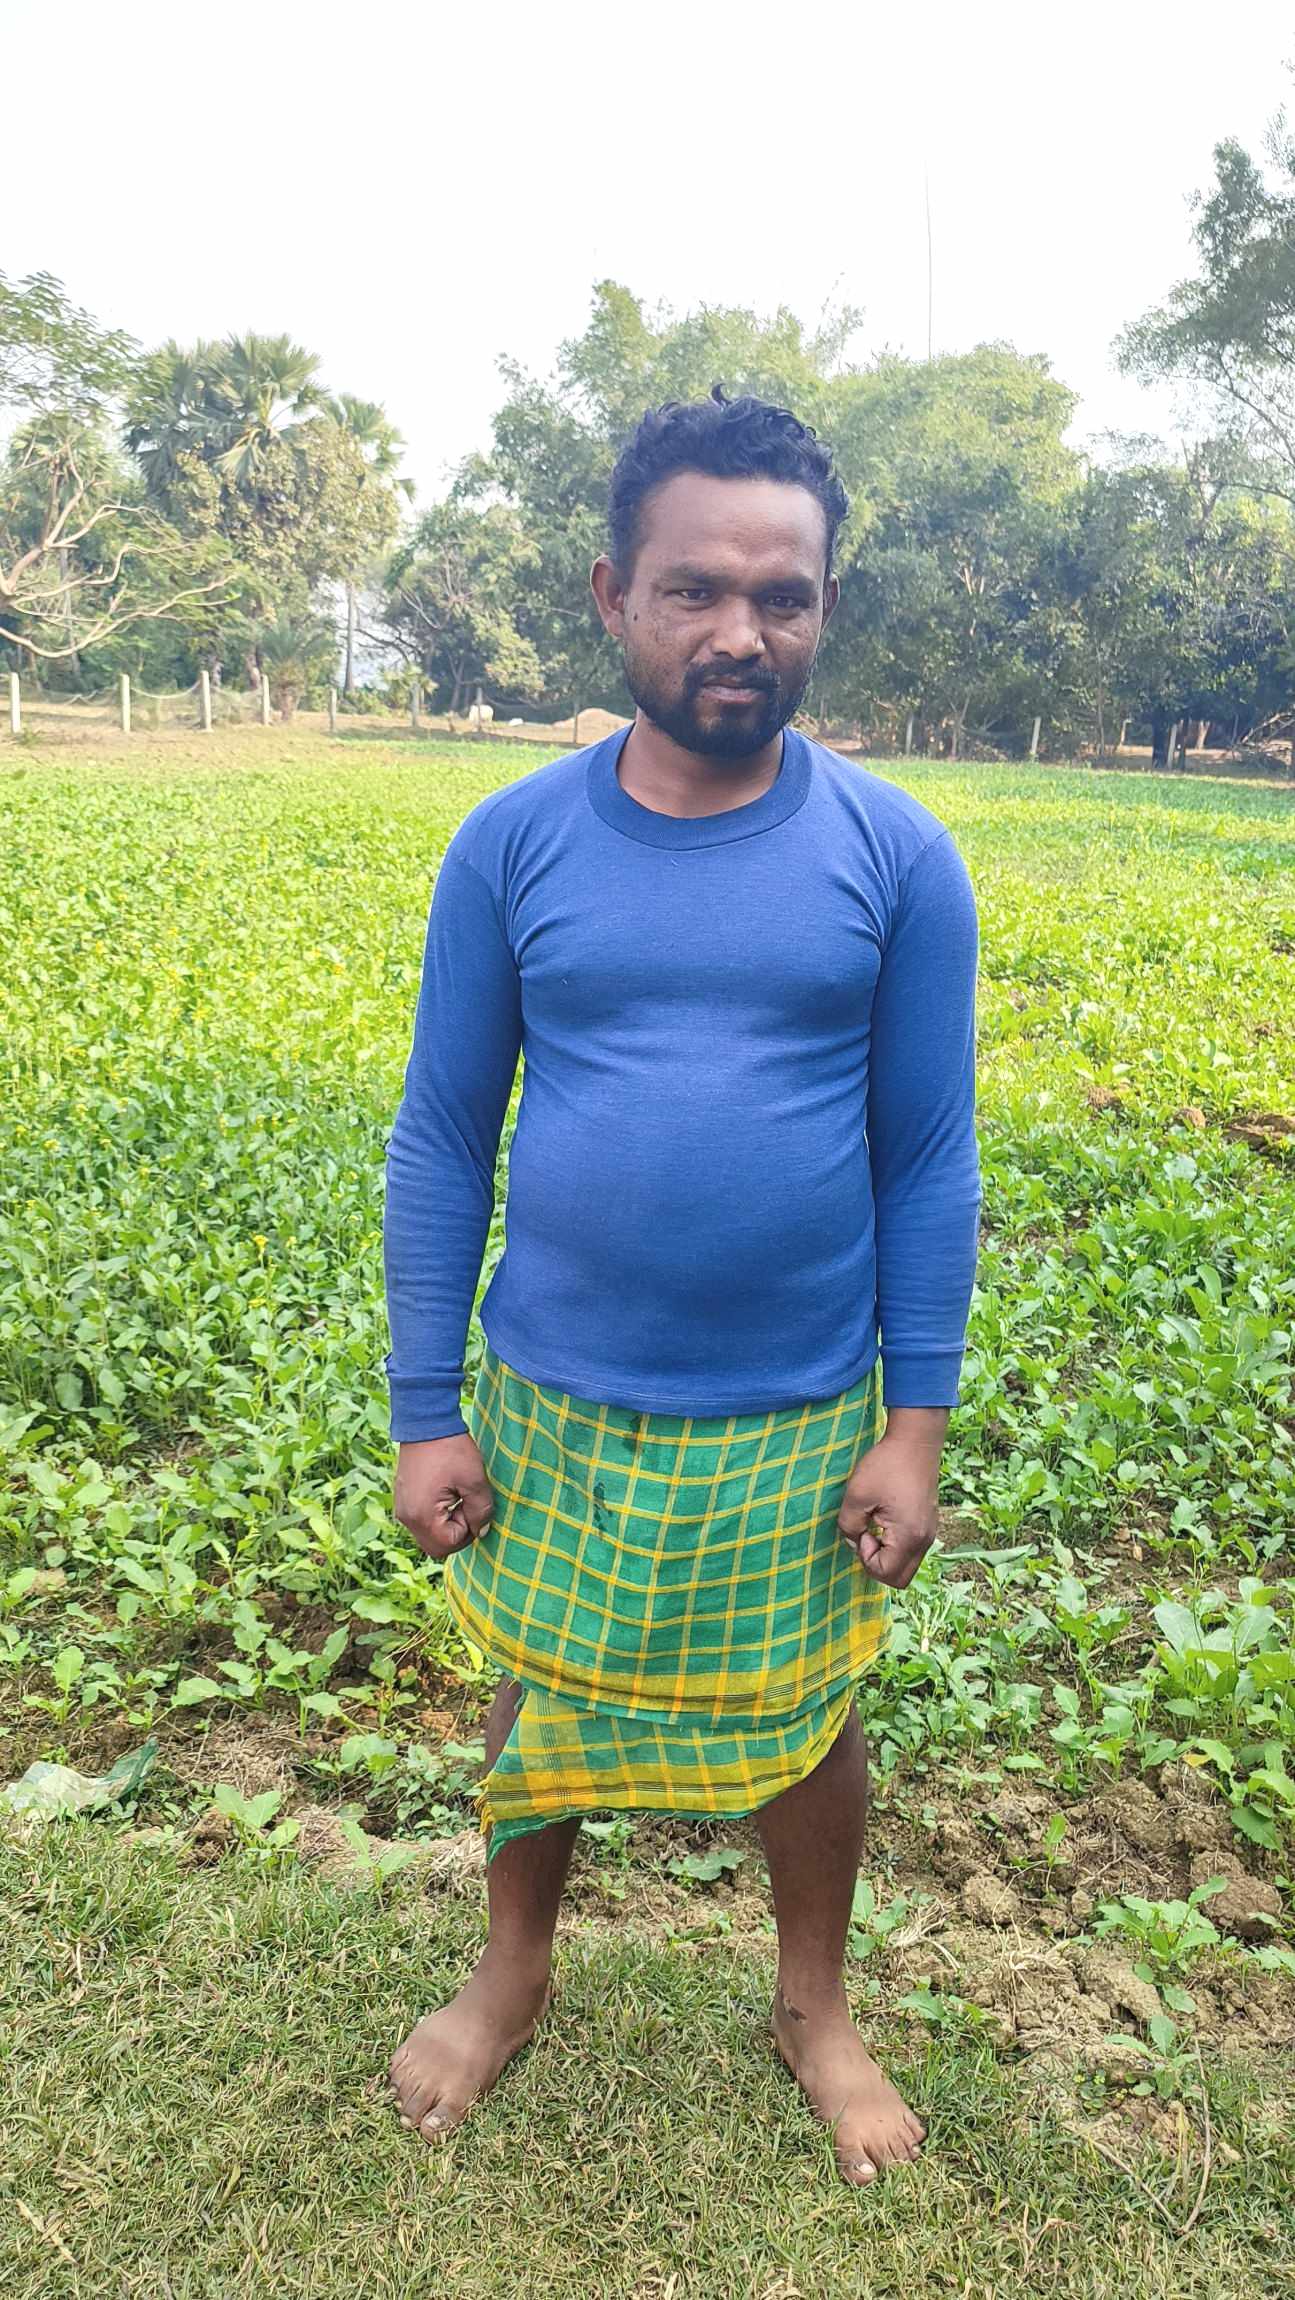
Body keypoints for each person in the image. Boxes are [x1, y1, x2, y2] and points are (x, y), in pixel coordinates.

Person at [382, 389, 982, 2185]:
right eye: (696, 589)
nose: (742, 632)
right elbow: (441, 1140)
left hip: (798, 1406)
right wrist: (429, 1409)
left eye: (782, 595)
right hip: (559, 1390)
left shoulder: (898, 859)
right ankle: (512, 1967)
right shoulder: (512, 847)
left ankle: (814, 2001)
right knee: (539, 1691)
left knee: (809, 1716)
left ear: (821, 605)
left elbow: (925, 1160)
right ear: (612, 596)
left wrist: (917, 1421)